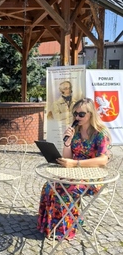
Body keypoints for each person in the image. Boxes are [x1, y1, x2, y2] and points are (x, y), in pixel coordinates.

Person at [37, 98, 111, 240]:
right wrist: (68, 143)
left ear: (91, 114)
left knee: (64, 190)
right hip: (74, 173)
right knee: (49, 186)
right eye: (75, 114)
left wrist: (75, 164)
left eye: (81, 114)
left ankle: (64, 229)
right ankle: (51, 225)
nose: (77, 117)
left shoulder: (100, 134)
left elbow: (103, 160)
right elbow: (68, 157)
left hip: (93, 177)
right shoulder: (75, 132)